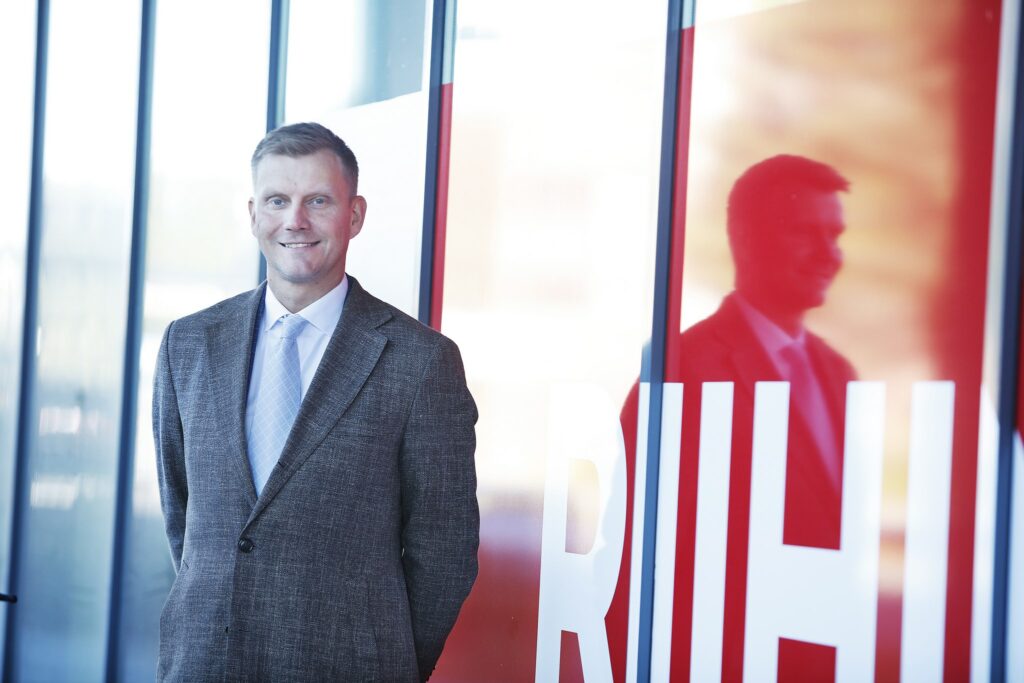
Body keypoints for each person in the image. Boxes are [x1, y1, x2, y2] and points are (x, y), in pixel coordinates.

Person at [153, 122, 479, 682]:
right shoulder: (189, 343)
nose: (294, 221)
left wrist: (388, 662)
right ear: (254, 214)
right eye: (277, 200)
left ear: (354, 216)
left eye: (318, 201)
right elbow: (183, 514)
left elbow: (444, 550)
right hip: (203, 662)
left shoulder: (420, 361)